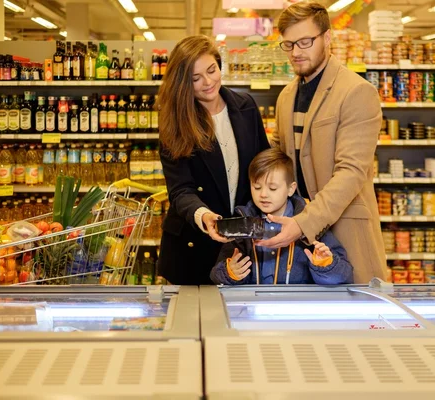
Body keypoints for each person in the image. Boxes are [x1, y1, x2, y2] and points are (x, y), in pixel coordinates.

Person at [258, 2, 388, 283]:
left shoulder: (356, 92)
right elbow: (279, 160)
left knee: (350, 322)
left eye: (305, 42)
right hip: (296, 237)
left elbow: (351, 173)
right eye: (289, 44)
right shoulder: (286, 97)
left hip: (342, 233)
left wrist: (303, 223)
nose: (296, 52)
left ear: (328, 38)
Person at [157, 35, 269, 285]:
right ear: (182, 83)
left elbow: (263, 164)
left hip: (241, 244)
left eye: (212, 70)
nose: (208, 82)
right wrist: (203, 215)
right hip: (192, 248)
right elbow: (180, 190)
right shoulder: (175, 122)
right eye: (196, 78)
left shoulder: (246, 106)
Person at [210, 148, 353, 285]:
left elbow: (344, 275)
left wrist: (324, 265)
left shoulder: (309, 220)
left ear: (291, 189)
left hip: (298, 306)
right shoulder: (243, 221)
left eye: (272, 188)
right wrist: (231, 273)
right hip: (254, 306)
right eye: (257, 187)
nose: (263, 194)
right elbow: (216, 274)